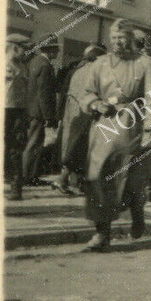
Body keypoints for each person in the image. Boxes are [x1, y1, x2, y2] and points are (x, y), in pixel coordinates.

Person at [78, 18, 151, 251]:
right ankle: (102, 234)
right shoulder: (100, 64)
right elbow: (85, 93)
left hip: (130, 125)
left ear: (131, 39)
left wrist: (150, 132)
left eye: (122, 38)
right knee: (96, 178)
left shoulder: (145, 64)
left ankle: (137, 214)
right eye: (114, 38)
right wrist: (95, 104)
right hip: (103, 127)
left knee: (128, 179)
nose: (117, 42)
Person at [10, 37, 59, 200]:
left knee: (29, 143)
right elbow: (44, 93)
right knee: (33, 144)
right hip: (37, 111)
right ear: (50, 50)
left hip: (29, 109)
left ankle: (26, 175)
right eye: (56, 50)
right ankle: (27, 176)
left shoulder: (34, 62)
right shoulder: (45, 65)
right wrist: (48, 115)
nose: (58, 53)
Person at [56, 44, 105, 195]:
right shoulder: (94, 72)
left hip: (73, 113)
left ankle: (73, 181)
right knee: (82, 148)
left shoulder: (78, 71)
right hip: (86, 113)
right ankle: (67, 180)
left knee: (72, 146)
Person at [4, 34, 30, 185]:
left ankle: (15, 183)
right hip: (5, 109)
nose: (25, 52)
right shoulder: (4, 64)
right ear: (14, 48)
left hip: (18, 110)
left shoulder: (21, 66)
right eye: (23, 49)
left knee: (16, 146)